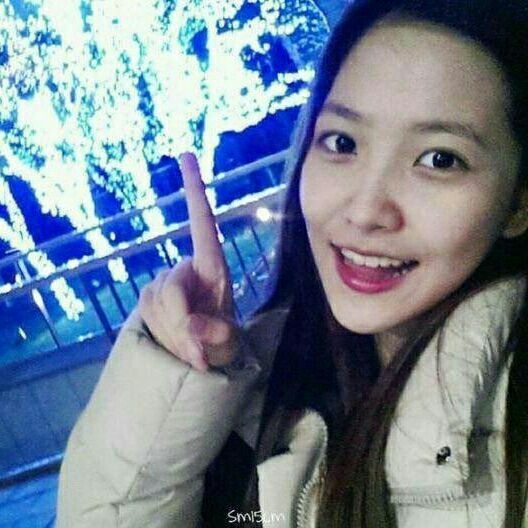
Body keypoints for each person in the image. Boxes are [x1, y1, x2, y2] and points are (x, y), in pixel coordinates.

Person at [56, 0, 528, 526]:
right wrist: (181, 375)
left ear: (518, 203)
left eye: (440, 159)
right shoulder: (270, 372)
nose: (365, 211)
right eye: (342, 142)